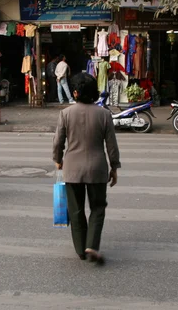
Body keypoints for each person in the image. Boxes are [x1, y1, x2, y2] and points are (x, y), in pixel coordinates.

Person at [52, 73, 120, 264]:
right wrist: (114, 167)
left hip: (72, 169)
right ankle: (92, 244)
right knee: (98, 207)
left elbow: (58, 142)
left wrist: (57, 160)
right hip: (97, 169)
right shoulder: (104, 114)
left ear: (75, 92)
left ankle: (81, 250)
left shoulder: (65, 114)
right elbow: (111, 145)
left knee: (76, 210)